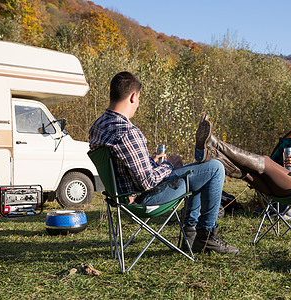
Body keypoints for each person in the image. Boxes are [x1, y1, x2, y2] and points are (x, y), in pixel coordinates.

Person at [89, 71, 239, 255]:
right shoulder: (128, 132)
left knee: (199, 172)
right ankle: (206, 236)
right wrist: (170, 165)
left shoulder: (98, 126)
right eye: (139, 98)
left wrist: (150, 161)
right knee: (215, 168)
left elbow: (122, 166)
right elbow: (147, 182)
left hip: (121, 197)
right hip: (144, 199)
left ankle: (191, 236)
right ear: (133, 97)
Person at [194, 108, 291, 197]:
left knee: (265, 161)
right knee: (247, 173)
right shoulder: (288, 142)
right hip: (276, 187)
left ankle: (215, 143)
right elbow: (268, 167)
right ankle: (211, 155)